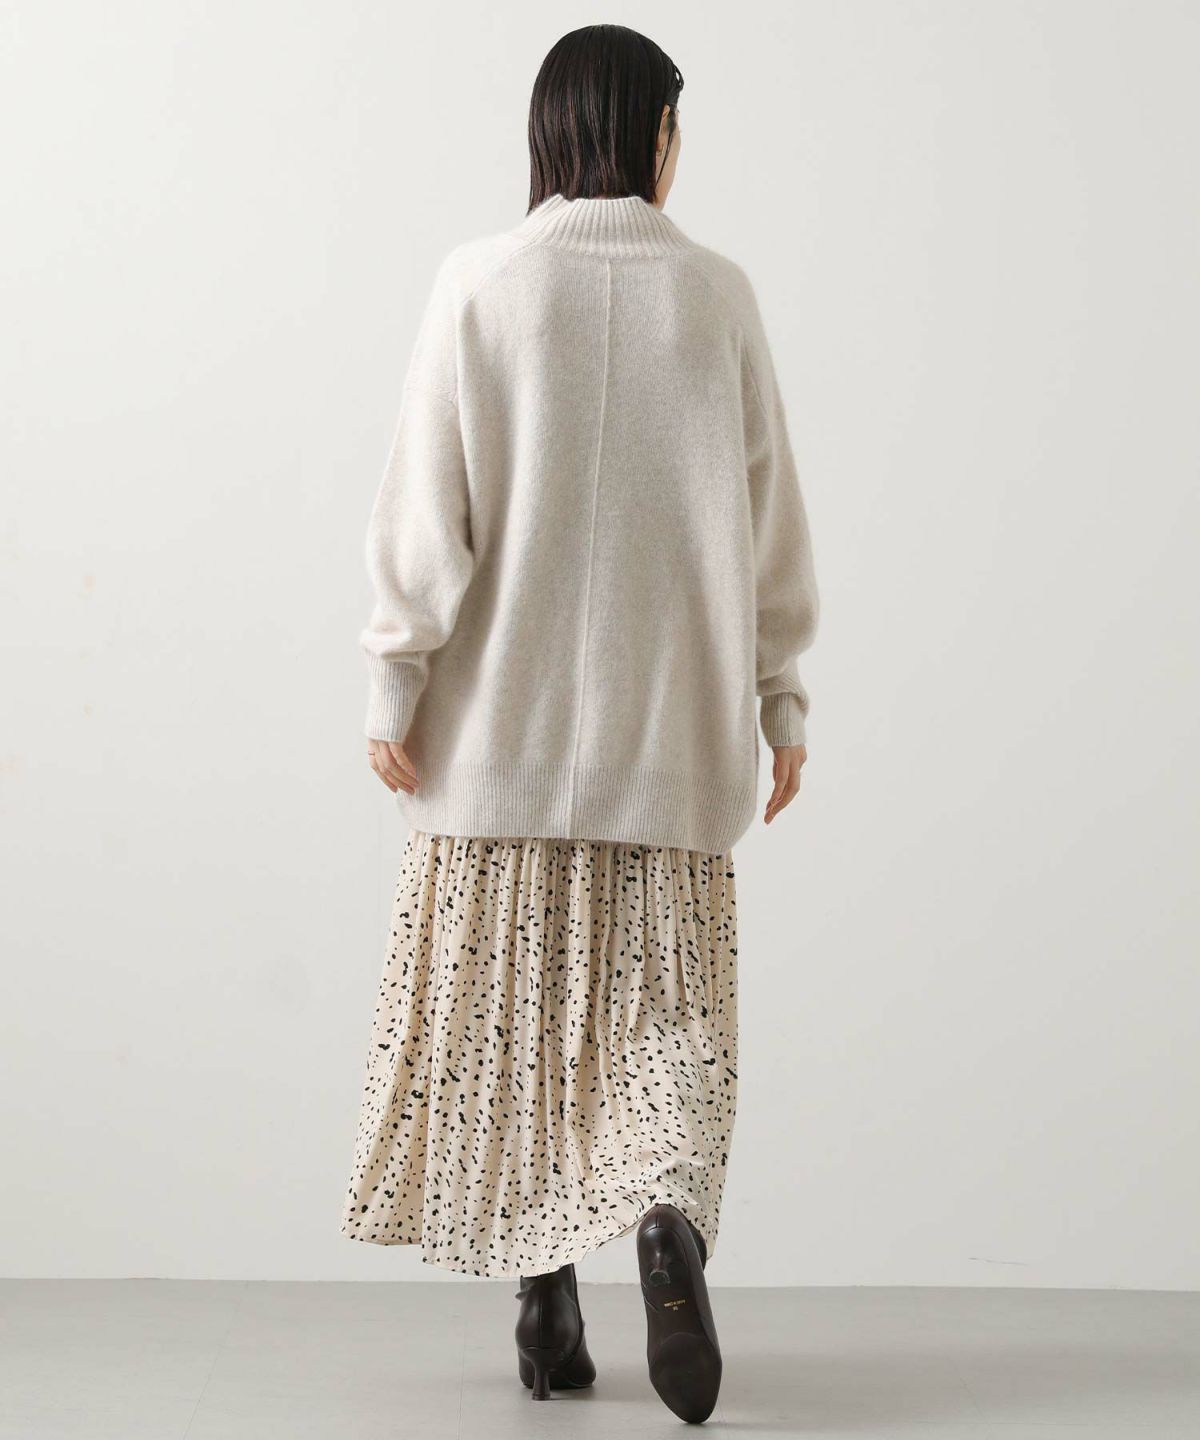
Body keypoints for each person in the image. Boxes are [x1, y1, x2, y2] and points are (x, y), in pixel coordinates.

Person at [340, 23, 818, 1425]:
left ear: (549, 133)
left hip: (499, 752)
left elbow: (426, 510)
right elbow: (769, 525)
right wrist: (782, 695)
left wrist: (395, 680)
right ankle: (663, 1217)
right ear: (652, 133)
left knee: (516, 1036)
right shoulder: (716, 296)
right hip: (671, 753)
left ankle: (545, 1306)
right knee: (667, 1024)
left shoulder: (481, 284)